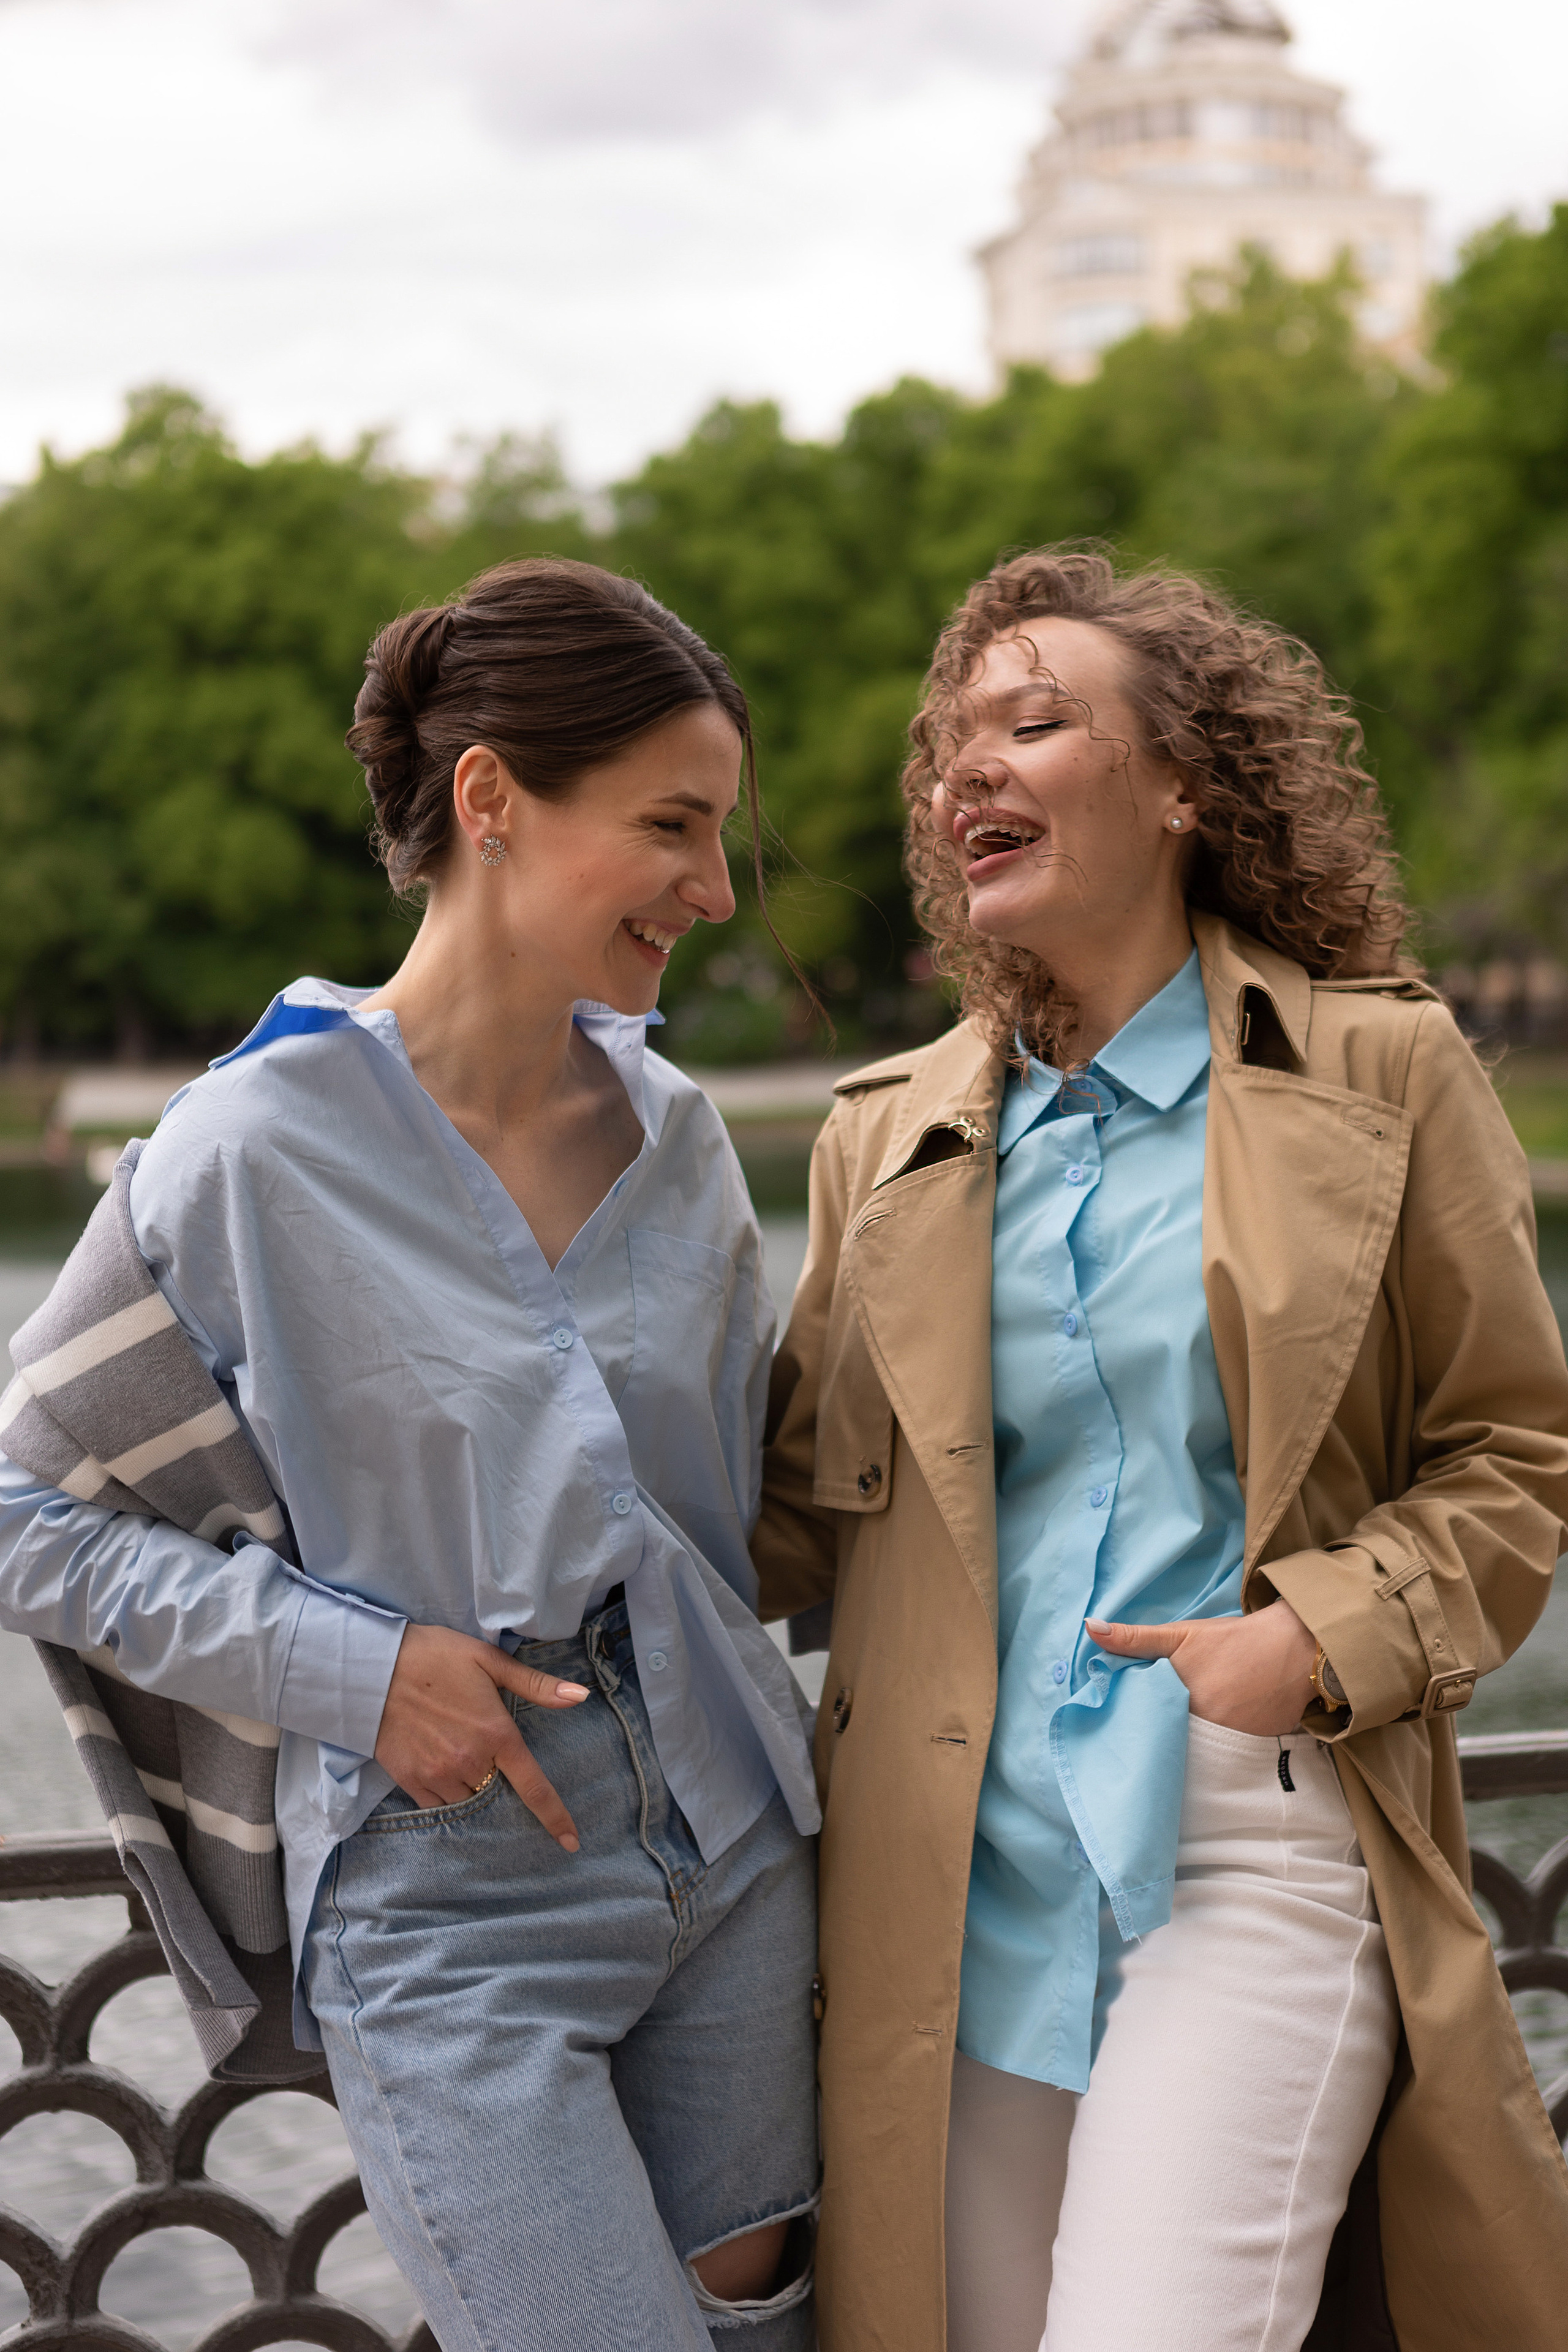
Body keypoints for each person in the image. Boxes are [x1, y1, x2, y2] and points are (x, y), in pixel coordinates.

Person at [0, 559, 821, 2350]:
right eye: (672, 824)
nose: (712, 888)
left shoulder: (680, 1136)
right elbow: (21, 1515)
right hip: (452, 1903)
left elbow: (750, 1503)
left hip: (739, 1838)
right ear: (491, 797)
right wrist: (356, 1673)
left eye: (720, 833)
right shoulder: (241, 1148)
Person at [756, 548, 1568, 2352]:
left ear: (1188, 783)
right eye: (952, 745)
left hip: (1247, 1824)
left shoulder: (1382, 1071)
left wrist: (1318, 1639)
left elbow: (1517, 1451)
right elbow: (784, 1518)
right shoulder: (882, 1134)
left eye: (1035, 723)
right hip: (945, 1879)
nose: (968, 769)